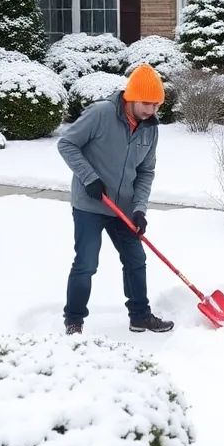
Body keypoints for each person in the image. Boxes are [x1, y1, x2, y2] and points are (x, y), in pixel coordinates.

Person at [56, 63, 174, 335]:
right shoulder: (101, 114)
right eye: (146, 104)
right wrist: (89, 178)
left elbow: (146, 171)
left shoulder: (150, 128)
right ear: (131, 96)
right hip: (90, 203)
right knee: (86, 262)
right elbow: (67, 144)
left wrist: (140, 209)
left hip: (124, 207)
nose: (151, 111)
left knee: (135, 260)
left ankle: (140, 316)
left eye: (157, 105)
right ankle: (74, 319)